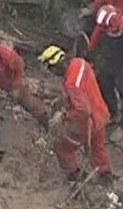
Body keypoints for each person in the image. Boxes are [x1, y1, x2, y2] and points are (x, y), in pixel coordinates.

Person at [39, 46, 113, 183]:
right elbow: (84, 90)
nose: (53, 73)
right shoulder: (80, 63)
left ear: (56, 66)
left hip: (86, 124)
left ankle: (75, 175)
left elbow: (83, 110)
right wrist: (64, 99)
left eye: (51, 69)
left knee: (62, 147)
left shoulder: (71, 84)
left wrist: (63, 117)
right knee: (98, 147)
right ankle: (105, 176)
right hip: (100, 115)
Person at [87, 5, 123, 125]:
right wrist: (90, 51)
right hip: (110, 58)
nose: (109, 33)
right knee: (104, 83)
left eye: (111, 31)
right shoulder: (105, 21)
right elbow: (97, 32)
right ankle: (112, 112)